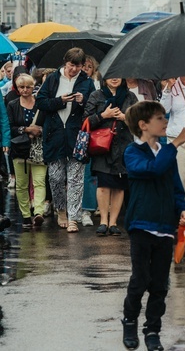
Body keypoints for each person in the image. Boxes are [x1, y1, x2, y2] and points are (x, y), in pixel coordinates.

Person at [121, 101, 185, 351]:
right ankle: (130, 321)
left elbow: (175, 187)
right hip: (141, 224)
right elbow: (152, 170)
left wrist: (182, 208)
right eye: (159, 118)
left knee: (160, 283)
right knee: (140, 279)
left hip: (165, 226)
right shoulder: (133, 152)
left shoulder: (167, 152)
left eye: (165, 117)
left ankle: (153, 330)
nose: (165, 122)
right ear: (143, 125)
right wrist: (175, 144)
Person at [35, 47, 96, 233]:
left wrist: (82, 100)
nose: (75, 70)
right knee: (55, 177)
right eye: (71, 65)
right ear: (65, 62)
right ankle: (61, 209)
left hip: (77, 135)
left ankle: (73, 218)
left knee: (76, 179)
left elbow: (93, 108)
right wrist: (60, 100)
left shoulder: (87, 82)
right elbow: (40, 102)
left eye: (79, 66)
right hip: (54, 135)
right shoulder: (53, 79)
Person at [84, 77, 139, 237]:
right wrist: (103, 115)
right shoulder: (96, 95)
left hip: (124, 146)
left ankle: (114, 222)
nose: (115, 79)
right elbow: (86, 120)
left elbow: (140, 122)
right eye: (111, 75)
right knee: (103, 184)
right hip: (102, 147)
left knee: (119, 186)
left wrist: (125, 118)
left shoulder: (130, 97)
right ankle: (103, 221)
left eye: (118, 75)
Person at [7, 73, 46, 230]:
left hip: (38, 148)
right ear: (17, 88)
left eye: (28, 87)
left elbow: (48, 123)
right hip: (20, 149)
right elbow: (10, 127)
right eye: (21, 87)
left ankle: (38, 212)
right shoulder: (12, 105)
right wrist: (26, 129)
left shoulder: (40, 103)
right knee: (22, 184)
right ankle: (25, 215)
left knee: (39, 181)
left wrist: (39, 130)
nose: (25, 90)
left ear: (33, 86)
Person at [160, 76, 185, 195]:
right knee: (182, 178)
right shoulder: (172, 85)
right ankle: (183, 210)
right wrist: (168, 88)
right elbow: (163, 110)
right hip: (177, 138)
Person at [80, 56, 101, 227]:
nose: (86, 68)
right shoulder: (82, 84)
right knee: (86, 172)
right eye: (83, 66)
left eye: (89, 66)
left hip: (101, 132)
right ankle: (86, 207)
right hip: (86, 132)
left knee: (100, 172)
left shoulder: (99, 84)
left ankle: (100, 205)